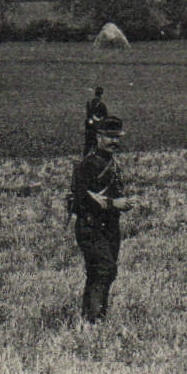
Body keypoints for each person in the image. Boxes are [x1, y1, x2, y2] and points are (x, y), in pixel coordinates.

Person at [69, 115, 134, 325]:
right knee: (104, 269)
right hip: (90, 227)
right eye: (109, 137)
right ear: (98, 137)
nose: (114, 142)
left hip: (109, 227)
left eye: (117, 137)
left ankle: (91, 318)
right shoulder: (86, 165)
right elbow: (79, 200)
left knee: (101, 271)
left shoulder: (112, 163)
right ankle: (94, 321)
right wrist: (113, 204)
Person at [83, 86, 109, 155]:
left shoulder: (89, 103)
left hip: (89, 127)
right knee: (97, 143)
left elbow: (88, 115)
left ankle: (85, 157)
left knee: (88, 144)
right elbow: (105, 116)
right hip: (98, 127)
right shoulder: (102, 105)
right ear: (101, 95)